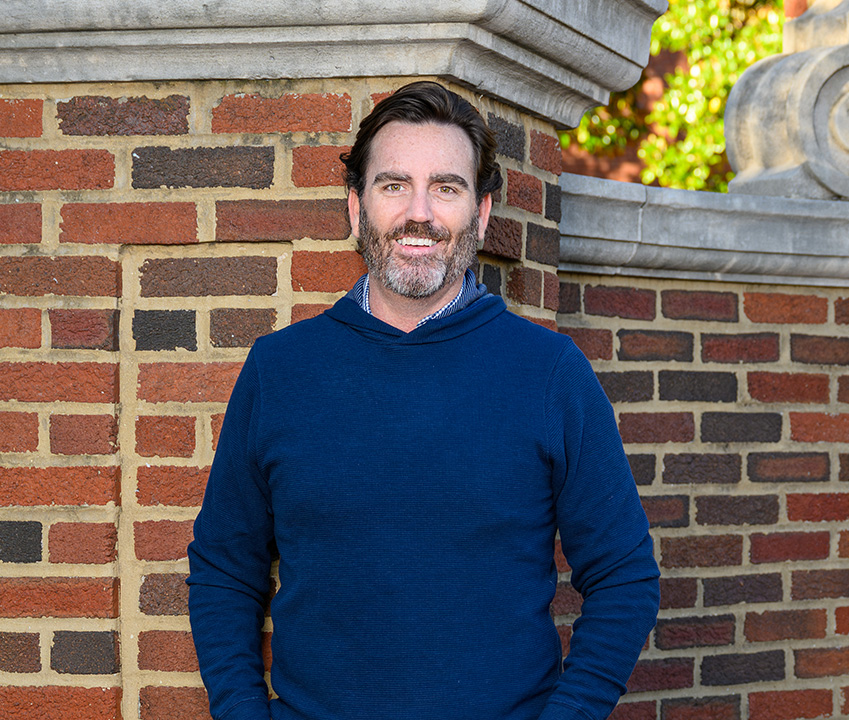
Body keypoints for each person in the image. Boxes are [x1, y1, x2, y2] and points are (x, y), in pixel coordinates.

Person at [186, 81, 660, 720]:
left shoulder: (550, 373)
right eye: (393, 185)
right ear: (355, 206)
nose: (419, 213)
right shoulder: (280, 371)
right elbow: (223, 568)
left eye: (445, 187)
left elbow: (625, 577)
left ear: (480, 214)